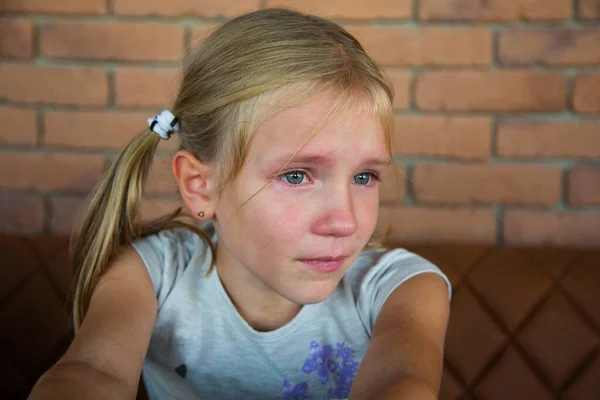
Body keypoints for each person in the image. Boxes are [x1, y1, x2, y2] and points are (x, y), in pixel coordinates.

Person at [29, 8, 451, 400]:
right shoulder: (152, 275)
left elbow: (401, 383)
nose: (344, 221)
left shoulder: (402, 288)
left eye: (364, 177)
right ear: (200, 187)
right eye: (296, 175)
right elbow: (89, 372)